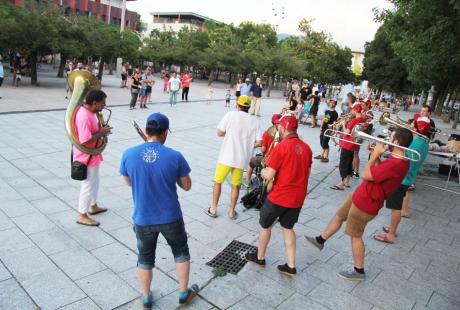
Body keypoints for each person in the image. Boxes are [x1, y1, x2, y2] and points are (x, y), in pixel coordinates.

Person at [305, 127, 413, 280]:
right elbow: (379, 173)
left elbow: (366, 174)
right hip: (361, 194)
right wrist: (376, 157)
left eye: (390, 136)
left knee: (355, 235)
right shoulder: (399, 159)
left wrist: (374, 155)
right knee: (339, 216)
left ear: (396, 142)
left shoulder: (396, 163)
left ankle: (359, 271)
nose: (387, 139)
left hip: (367, 202)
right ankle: (320, 240)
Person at [120, 113, 198, 309]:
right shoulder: (175, 156)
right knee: (181, 252)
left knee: (144, 258)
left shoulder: (128, 154)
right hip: (171, 216)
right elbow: (186, 186)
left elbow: (128, 182)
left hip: (143, 217)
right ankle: (183, 293)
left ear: (146, 131)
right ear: (165, 133)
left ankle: (146, 298)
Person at [246, 115, 312, 276]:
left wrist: (262, 168)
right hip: (298, 197)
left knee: (265, 225)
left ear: (282, 128)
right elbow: (306, 172)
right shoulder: (307, 148)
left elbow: (269, 175)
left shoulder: (282, 147)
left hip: (280, 196)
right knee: (288, 228)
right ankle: (291, 265)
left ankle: (260, 257)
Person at [374, 115, 431, 243]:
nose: (411, 126)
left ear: (418, 127)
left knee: (396, 208)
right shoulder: (424, 142)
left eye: (414, 125)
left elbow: (401, 156)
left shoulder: (416, 143)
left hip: (402, 179)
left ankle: (391, 235)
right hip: (407, 178)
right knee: (397, 207)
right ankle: (392, 229)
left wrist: (385, 149)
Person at [206, 95, 262, 220]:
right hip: (241, 159)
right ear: (249, 107)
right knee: (236, 185)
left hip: (226, 156)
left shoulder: (230, 115)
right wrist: (248, 144)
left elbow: (219, 133)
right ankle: (231, 212)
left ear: (238, 104)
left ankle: (213, 209)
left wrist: (230, 133)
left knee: (218, 182)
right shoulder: (255, 121)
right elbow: (259, 142)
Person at [74, 90, 111, 226]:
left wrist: (101, 130)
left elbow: (92, 132)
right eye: (103, 103)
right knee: (88, 185)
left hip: (92, 154)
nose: (105, 105)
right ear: (94, 103)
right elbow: (85, 140)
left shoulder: (90, 113)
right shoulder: (84, 115)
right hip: (86, 155)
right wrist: (101, 132)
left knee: (95, 182)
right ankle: (82, 214)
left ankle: (93, 206)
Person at [330, 103, 364, 190]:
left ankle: (341, 183)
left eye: (353, 110)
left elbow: (346, 132)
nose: (351, 111)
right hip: (353, 145)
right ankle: (346, 182)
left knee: (343, 164)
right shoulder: (361, 120)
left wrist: (343, 124)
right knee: (349, 164)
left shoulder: (354, 121)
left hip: (347, 144)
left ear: (355, 110)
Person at [245, 114, 282, 187]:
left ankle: (247, 182)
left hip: (268, 159)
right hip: (279, 160)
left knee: (251, 162)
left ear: (272, 122)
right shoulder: (284, 134)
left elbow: (263, 149)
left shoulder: (267, 133)